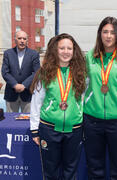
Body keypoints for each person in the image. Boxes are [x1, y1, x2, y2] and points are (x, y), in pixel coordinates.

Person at [83, 16, 117, 180]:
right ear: (100, 34)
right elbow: (84, 87)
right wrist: (80, 114)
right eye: (105, 32)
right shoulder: (90, 56)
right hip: (92, 119)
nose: (108, 36)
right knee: (94, 167)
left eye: (112, 32)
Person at [30, 33, 87, 180]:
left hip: (74, 130)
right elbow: (37, 101)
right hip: (49, 129)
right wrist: (35, 129)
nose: (66, 51)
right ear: (55, 50)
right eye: (62, 48)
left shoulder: (80, 74)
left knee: (70, 172)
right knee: (50, 172)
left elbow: (85, 99)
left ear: (74, 51)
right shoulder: (45, 72)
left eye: (69, 48)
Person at [1, 30, 40, 112]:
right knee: (10, 121)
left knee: (27, 122)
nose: (22, 41)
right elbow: (5, 72)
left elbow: (36, 72)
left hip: (28, 93)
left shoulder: (34, 54)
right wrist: (15, 85)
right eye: (19, 38)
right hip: (11, 93)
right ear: (15, 40)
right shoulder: (8, 53)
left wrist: (24, 85)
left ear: (27, 40)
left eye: (24, 39)